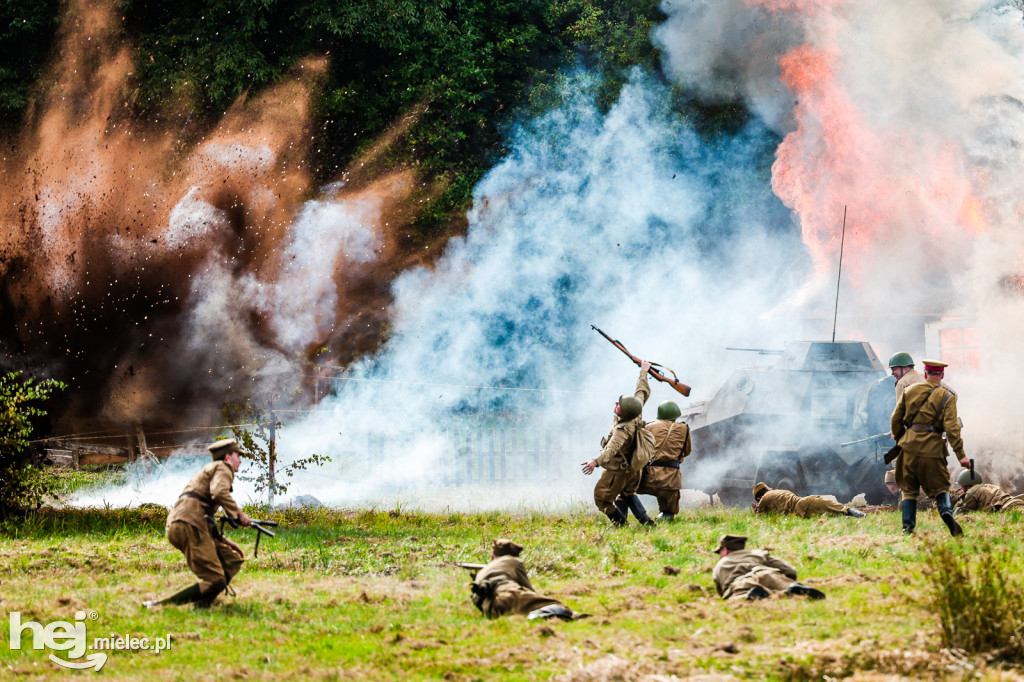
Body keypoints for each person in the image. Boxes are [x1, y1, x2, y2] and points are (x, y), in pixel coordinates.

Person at [143, 438, 251, 608]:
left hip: (186, 523)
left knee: (232, 559)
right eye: (239, 455)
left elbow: (204, 510)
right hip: (189, 524)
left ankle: (203, 603)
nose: (241, 460)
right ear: (228, 457)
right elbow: (219, 492)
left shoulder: (212, 469)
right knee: (216, 579)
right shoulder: (224, 467)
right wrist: (239, 515)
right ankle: (159, 605)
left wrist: (221, 540)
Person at [891, 359, 970, 537]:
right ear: (942, 376)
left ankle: (907, 529)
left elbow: (896, 418)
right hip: (933, 448)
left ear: (925, 374)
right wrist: (961, 455)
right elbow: (952, 428)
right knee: (941, 487)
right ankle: (946, 513)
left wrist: (900, 438)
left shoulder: (908, 390)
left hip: (909, 447)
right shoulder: (947, 396)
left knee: (909, 490)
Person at [581, 361, 651, 527]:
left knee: (601, 499)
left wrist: (595, 462)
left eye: (619, 404)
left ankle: (621, 525)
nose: (616, 404)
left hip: (619, 471)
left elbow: (611, 449)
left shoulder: (622, 429)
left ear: (625, 411)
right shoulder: (636, 412)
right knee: (627, 493)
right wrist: (644, 372)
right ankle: (646, 522)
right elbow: (641, 392)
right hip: (634, 470)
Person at [469, 539, 577, 620]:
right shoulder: (515, 562)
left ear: (492, 557)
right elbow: (528, 588)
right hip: (508, 596)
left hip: (489, 608)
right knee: (558, 606)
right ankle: (536, 617)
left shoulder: (485, 570)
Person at [711, 534, 825, 600]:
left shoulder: (720, 564)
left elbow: (723, 593)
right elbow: (791, 571)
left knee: (740, 597)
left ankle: (755, 595)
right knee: (781, 584)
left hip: (741, 583)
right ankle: (792, 588)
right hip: (766, 574)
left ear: (725, 550)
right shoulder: (758, 553)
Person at [634, 400, 692, 522]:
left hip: (648, 477)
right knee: (669, 504)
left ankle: (623, 519)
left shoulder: (649, 427)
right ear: (676, 415)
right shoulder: (684, 429)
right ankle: (666, 516)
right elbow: (687, 451)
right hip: (671, 479)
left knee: (625, 493)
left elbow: (638, 448)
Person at [752, 482, 865, 518]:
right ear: (768, 489)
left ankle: (861, 517)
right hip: (810, 500)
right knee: (841, 510)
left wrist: (756, 511)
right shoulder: (779, 491)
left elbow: (759, 520)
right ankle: (863, 516)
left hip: (803, 509)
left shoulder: (764, 500)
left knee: (838, 513)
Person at [953, 470, 1024, 514]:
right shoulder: (988, 486)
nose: (960, 487)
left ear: (966, 484)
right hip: (1015, 502)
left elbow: (961, 512)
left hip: (1007, 508)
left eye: (961, 485)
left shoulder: (972, 491)